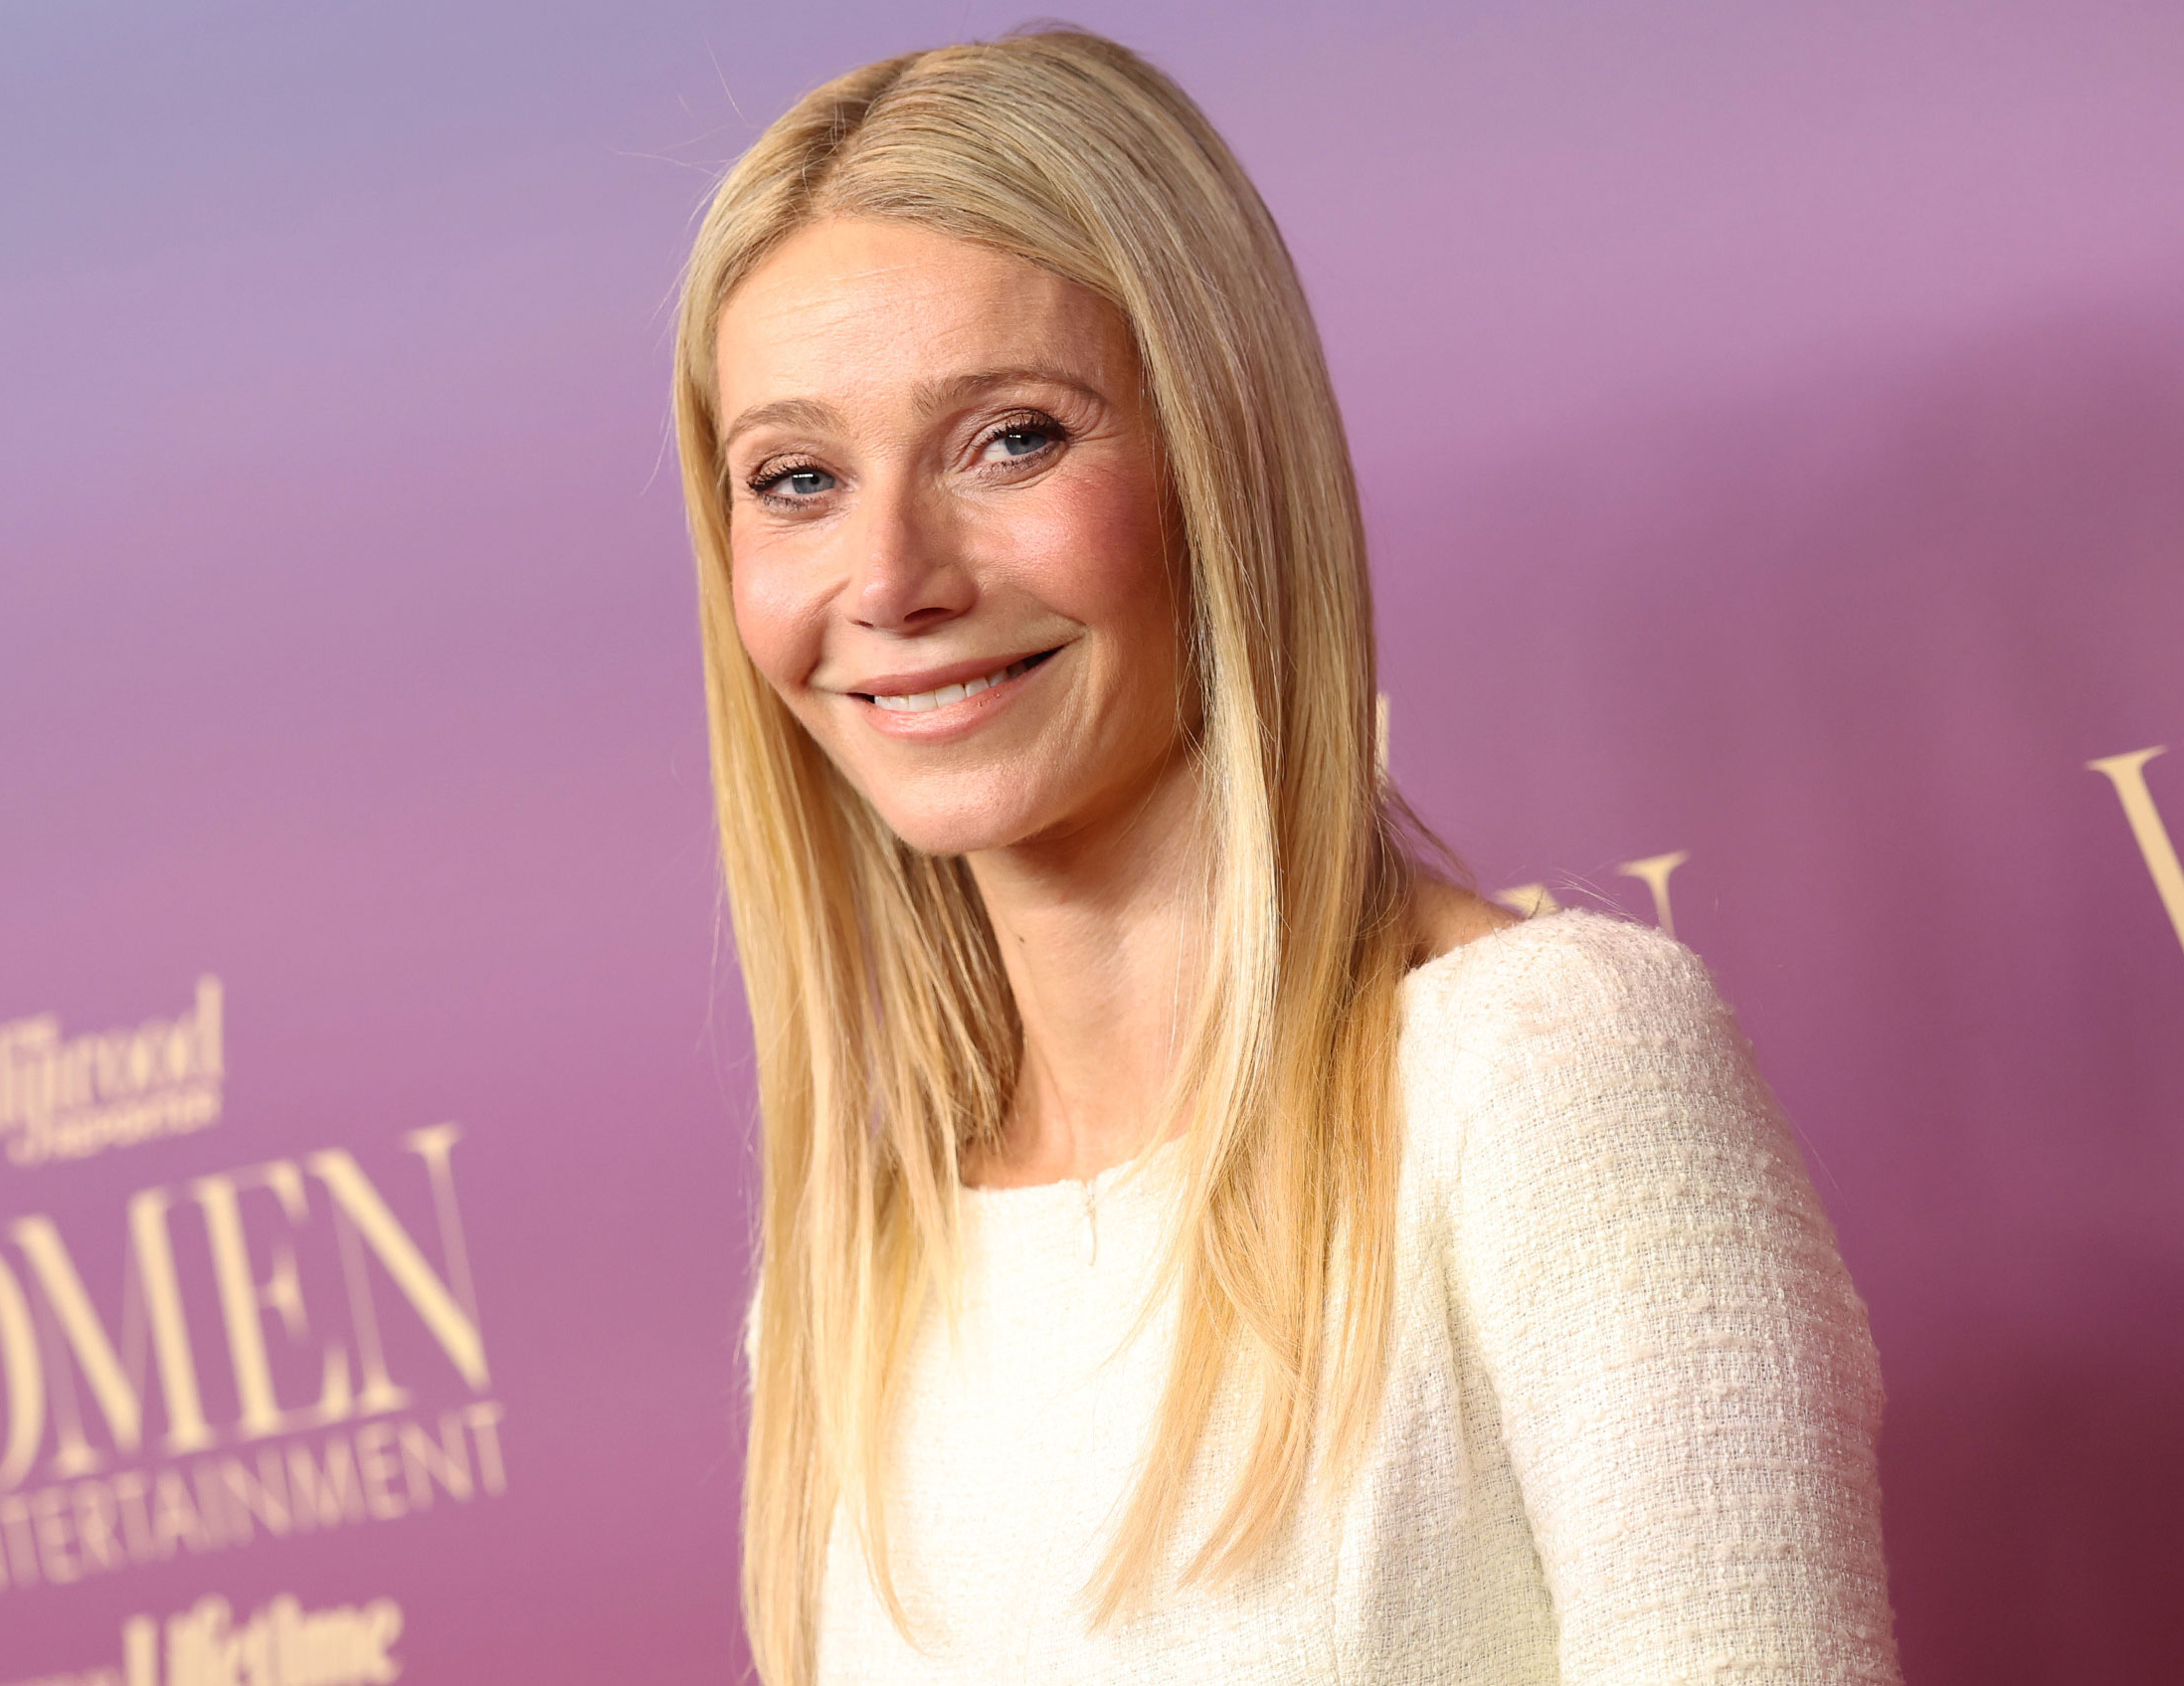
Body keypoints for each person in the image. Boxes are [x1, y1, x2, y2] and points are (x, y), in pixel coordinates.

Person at [670, 27, 1899, 1685]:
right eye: (798, 479)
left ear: (1219, 458)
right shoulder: (855, 1272)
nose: (890, 575)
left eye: (1011, 439)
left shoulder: (1548, 1076)